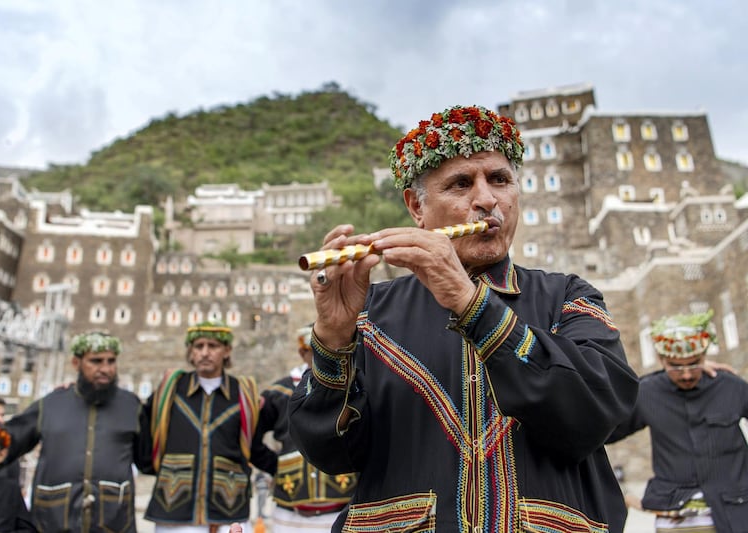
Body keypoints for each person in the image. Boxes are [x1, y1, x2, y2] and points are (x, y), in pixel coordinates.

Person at [287, 105, 640, 532]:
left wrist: (469, 303)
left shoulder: (568, 297)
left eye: (499, 179)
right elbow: (328, 453)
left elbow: (596, 413)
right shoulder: (370, 312)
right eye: (460, 184)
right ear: (417, 207)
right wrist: (332, 337)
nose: (487, 200)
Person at [608, 310, 748, 532]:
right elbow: (596, 436)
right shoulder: (647, 393)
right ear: (661, 359)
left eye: (693, 364)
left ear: (704, 355)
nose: (686, 375)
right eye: (675, 365)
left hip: (735, 516)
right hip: (674, 519)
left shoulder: (731, 387)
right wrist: (620, 494)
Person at [4, 331, 150, 532]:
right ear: (76, 363)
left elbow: (149, 458)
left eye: (111, 361)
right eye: (96, 361)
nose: (105, 369)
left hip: (113, 522)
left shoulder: (131, 406)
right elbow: (5, 443)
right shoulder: (50, 405)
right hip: (54, 521)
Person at [142, 320, 278, 532]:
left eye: (212, 346)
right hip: (175, 508)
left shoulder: (243, 393)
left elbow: (254, 448)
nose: (205, 353)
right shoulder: (170, 390)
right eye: (199, 346)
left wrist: (283, 470)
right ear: (191, 351)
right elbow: (143, 435)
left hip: (228, 508)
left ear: (227, 351)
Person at [261, 324, 357, 532]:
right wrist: (276, 466)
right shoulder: (277, 392)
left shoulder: (353, 386)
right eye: (316, 351)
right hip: (289, 508)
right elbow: (251, 437)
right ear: (303, 352)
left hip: (341, 505)